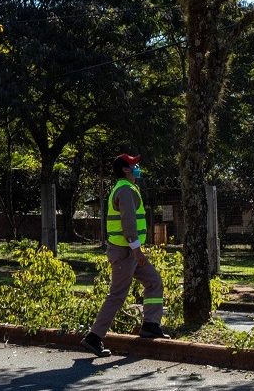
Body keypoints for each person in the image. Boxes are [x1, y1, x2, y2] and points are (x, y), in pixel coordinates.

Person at [81, 153, 168, 357]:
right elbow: (128, 223)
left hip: (128, 251)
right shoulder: (126, 190)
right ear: (126, 170)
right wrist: (137, 250)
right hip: (126, 252)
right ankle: (94, 337)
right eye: (134, 165)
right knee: (118, 295)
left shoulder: (125, 188)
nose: (138, 167)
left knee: (154, 281)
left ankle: (150, 325)